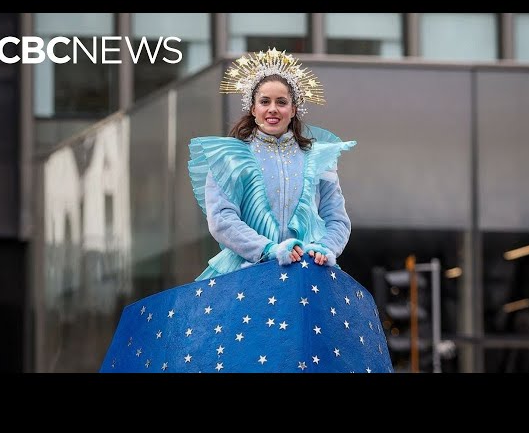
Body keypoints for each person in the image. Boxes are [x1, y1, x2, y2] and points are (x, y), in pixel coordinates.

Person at [100, 48, 393, 373]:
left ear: (294, 108)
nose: (273, 109)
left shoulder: (319, 159)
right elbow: (222, 220)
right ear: (252, 108)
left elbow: (337, 219)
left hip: (307, 278)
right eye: (265, 101)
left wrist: (325, 248)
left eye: (281, 102)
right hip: (242, 277)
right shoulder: (229, 157)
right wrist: (268, 249)